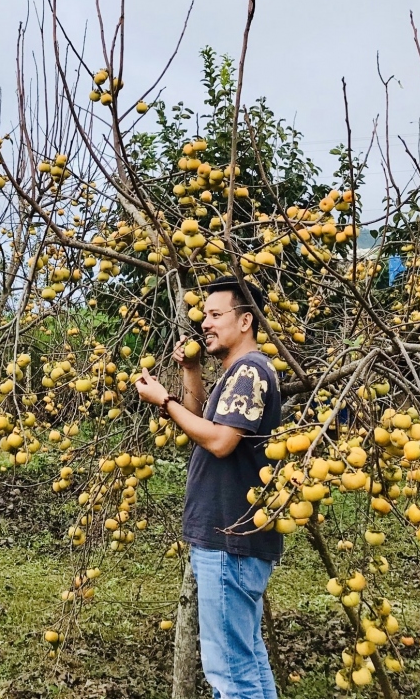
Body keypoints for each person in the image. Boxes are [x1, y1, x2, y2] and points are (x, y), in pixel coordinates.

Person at [136, 276, 281, 699]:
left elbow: (219, 441)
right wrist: (191, 372)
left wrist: (165, 402)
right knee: (247, 661)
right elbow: (200, 421)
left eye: (217, 315)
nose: (207, 324)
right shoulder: (236, 373)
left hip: (228, 538)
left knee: (230, 675)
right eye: (206, 317)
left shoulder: (250, 372)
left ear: (246, 321)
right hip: (231, 538)